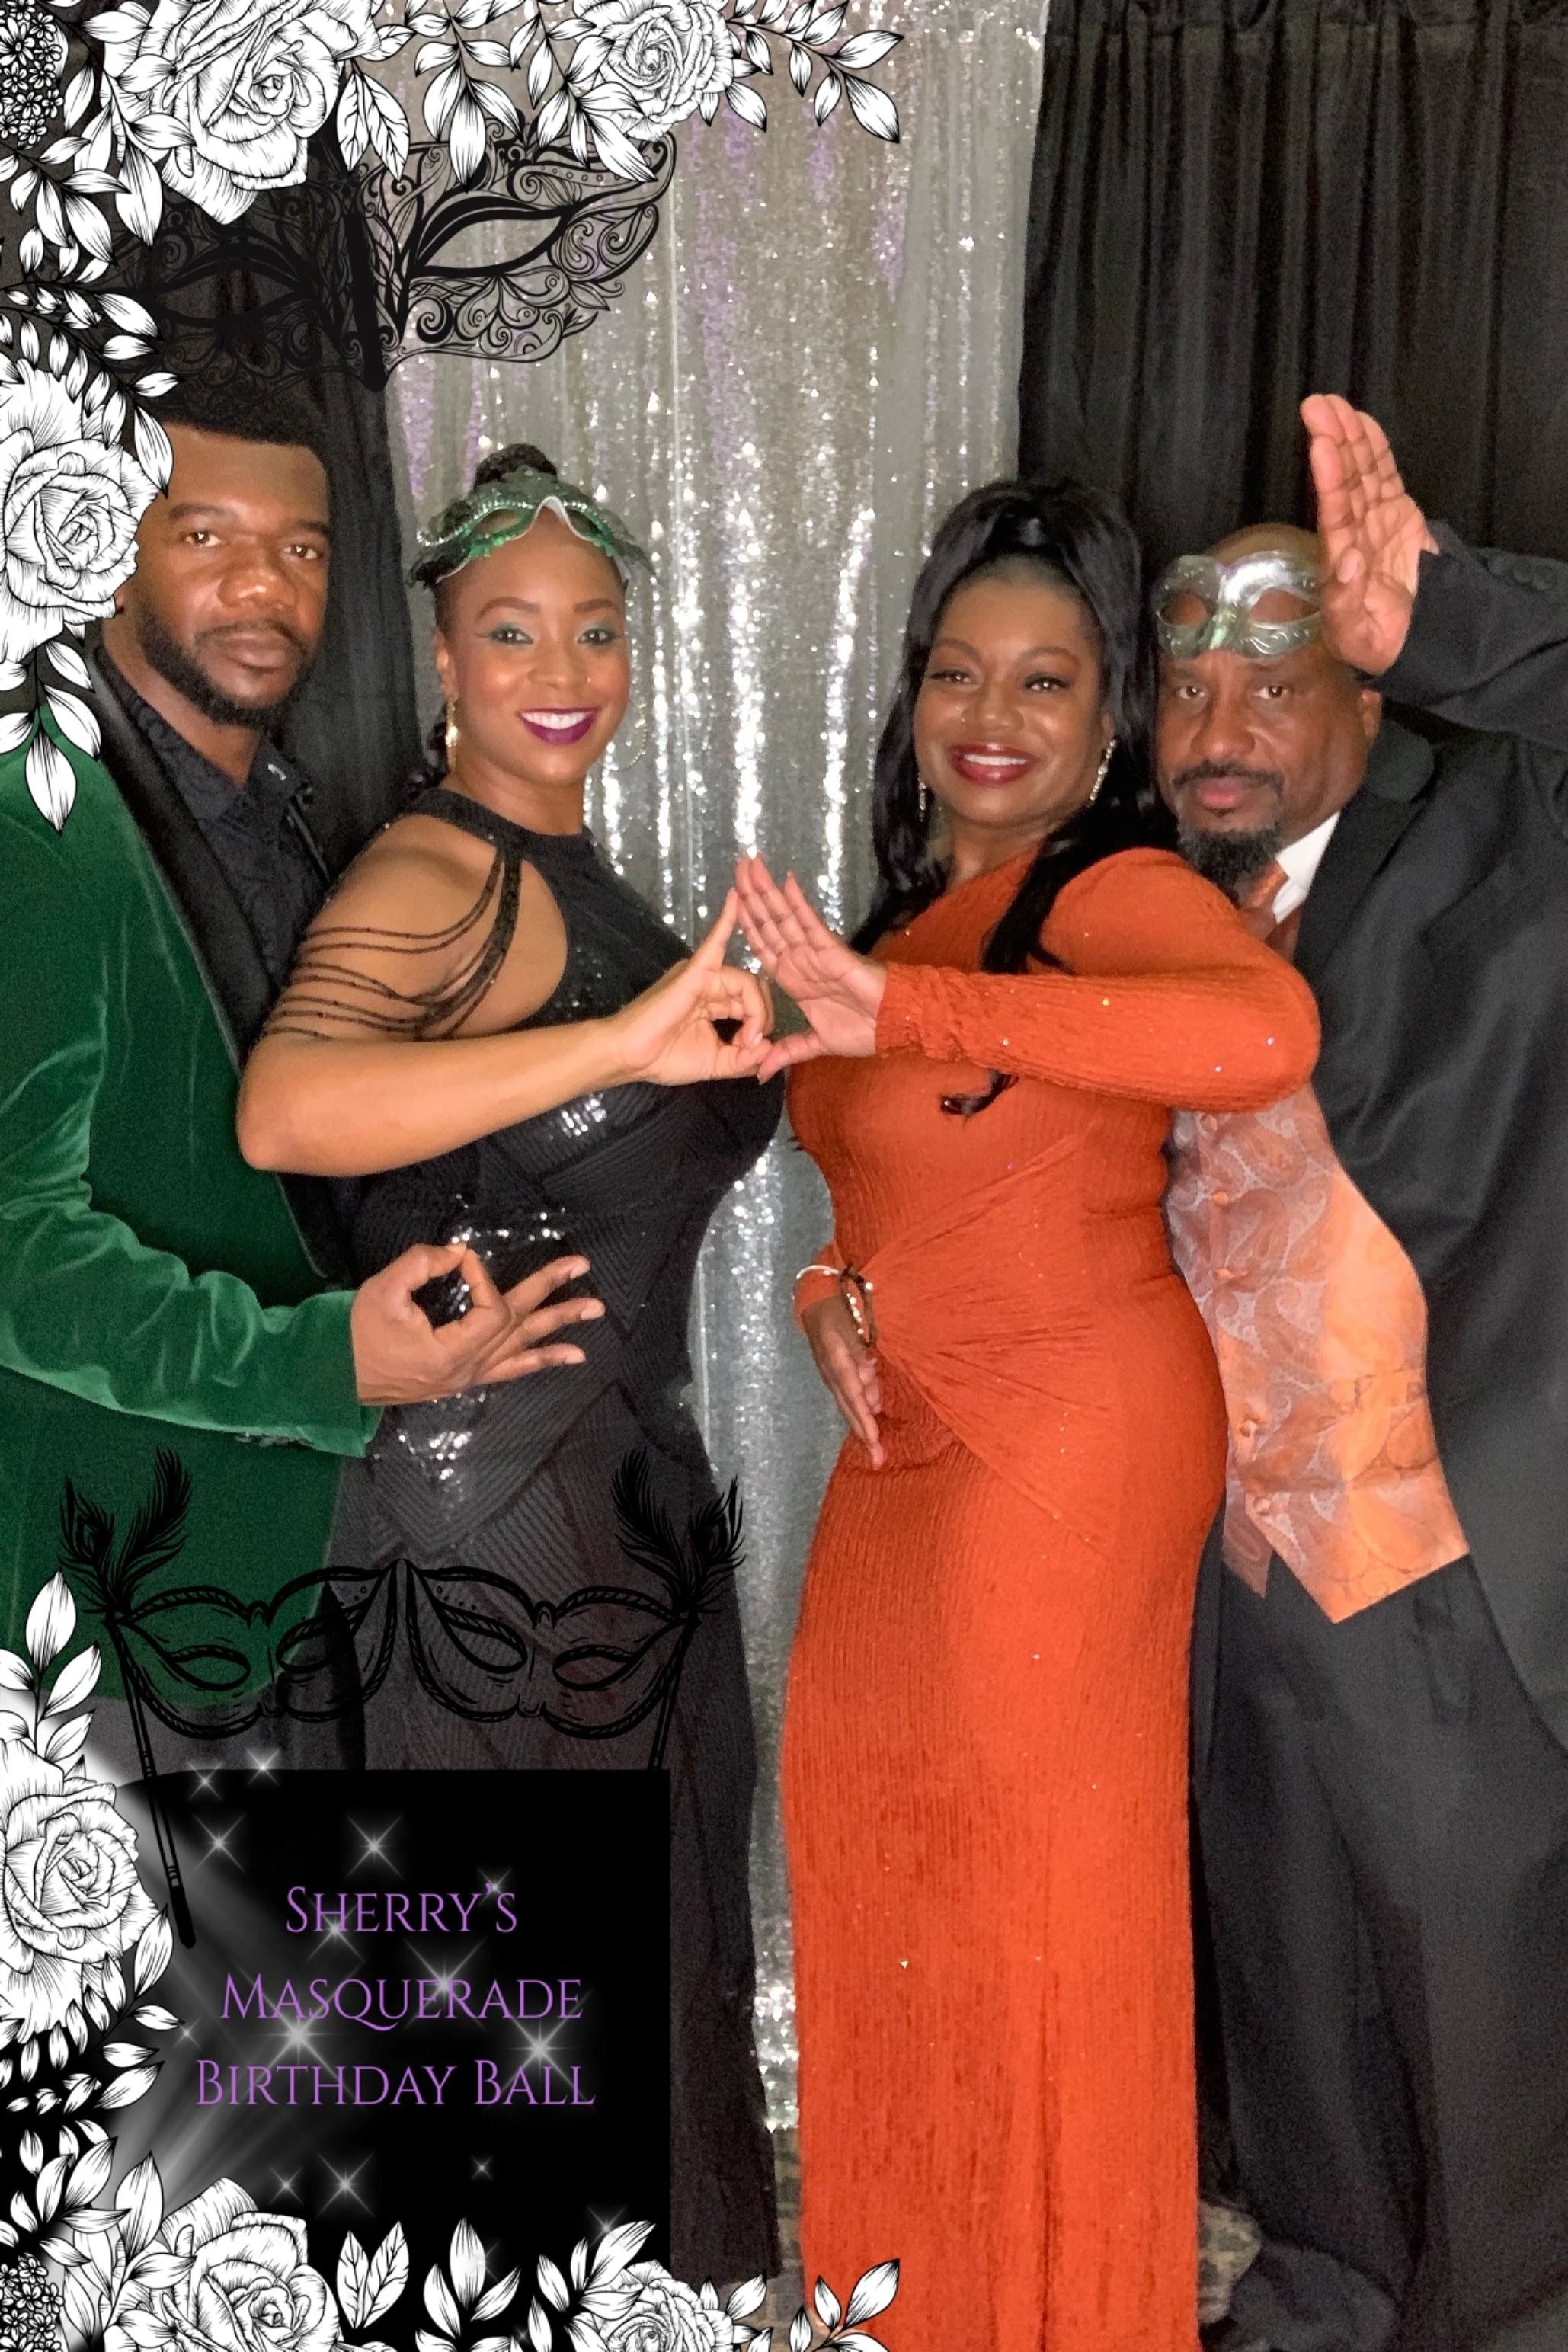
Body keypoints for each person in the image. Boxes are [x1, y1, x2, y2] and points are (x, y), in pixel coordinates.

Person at [731, 482, 1318, 2352]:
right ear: (914, 698)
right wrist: (833, 1299)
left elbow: (1261, 1040)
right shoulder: (915, 916)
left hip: (1068, 1448)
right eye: (960, 673)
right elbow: (863, 1200)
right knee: (879, 1843)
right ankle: (927, 2302)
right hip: (911, 1454)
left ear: (1109, 723)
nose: (994, 715)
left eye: (1048, 681)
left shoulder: (1104, 890)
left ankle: (1059, 2309)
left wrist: (904, 1006)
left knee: (1032, 1915)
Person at [235, 443, 784, 2285]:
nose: (566, 668)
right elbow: (289, 1111)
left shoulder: (574, 867)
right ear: (450, 661)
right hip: (485, 1536)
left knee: (622, 1995)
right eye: (513, 630)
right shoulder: (435, 865)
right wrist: (619, 1035)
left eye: (600, 629)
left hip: (617, 1498)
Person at [0, 390, 594, 1777]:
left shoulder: (304, 823)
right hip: (108, 1609)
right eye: (204, 533)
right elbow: (14, 1250)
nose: (264, 583)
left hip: (308, 1581)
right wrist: (320, 1360)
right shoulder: (38, 824)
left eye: (306, 549)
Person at [1159, 395, 1568, 2352]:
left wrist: (1457, 617)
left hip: (1462, 1563)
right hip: (1241, 1582)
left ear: (1367, 681)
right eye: (1188, 674)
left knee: (1488, 2036)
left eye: (1279, 659)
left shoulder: (1509, 821)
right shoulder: (1148, 918)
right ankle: (1317, 2304)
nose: (1220, 715)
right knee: (1295, 1998)